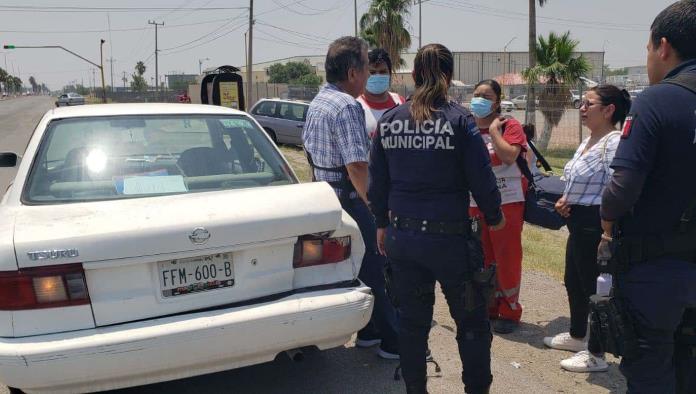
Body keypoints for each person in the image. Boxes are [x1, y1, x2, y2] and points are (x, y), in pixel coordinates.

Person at [368, 43, 505, 394]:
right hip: (451, 244)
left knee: (412, 326)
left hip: (403, 241)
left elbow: (377, 183)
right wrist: (494, 217)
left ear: (414, 76)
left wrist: (382, 223)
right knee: (472, 324)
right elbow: (482, 178)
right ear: (447, 77)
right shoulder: (460, 121)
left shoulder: (389, 122)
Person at [599, 1, 696, 392]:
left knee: (650, 369)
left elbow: (621, 191)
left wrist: (606, 219)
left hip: (658, 271)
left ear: (663, 47)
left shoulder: (657, 100)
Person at [301, 36, 400, 360]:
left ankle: (368, 333)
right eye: (365, 66)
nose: (370, 75)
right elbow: (357, 166)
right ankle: (392, 342)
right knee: (379, 269)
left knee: (353, 270)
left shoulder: (319, 101)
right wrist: (378, 210)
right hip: (350, 199)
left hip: (323, 197)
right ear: (354, 72)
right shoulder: (347, 106)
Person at [543, 85, 631, 373]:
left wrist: (607, 232)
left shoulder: (613, 142)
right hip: (577, 220)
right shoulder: (589, 140)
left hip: (596, 223)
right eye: (581, 102)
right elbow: (579, 181)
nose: (582, 108)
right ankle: (578, 335)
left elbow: (614, 188)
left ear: (609, 110)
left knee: (596, 288)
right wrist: (565, 201)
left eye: (589, 104)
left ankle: (596, 354)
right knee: (574, 280)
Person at [468, 79, 528, 334]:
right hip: (474, 203)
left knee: (506, 256)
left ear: (497, 100)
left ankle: (509, 309)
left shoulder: (508, 126)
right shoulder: (466, 127)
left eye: (487, 95)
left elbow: (508, 155)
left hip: (507, 201)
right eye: (477, 94)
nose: (480, 99)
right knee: (482, 257)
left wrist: (494, 132)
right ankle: (488, 305)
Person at [356, 48, 406, 139]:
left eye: (383, 72)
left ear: (390, 74)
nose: (377, 75)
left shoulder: (401, 102)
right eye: (372, 72)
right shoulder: (355, 106)